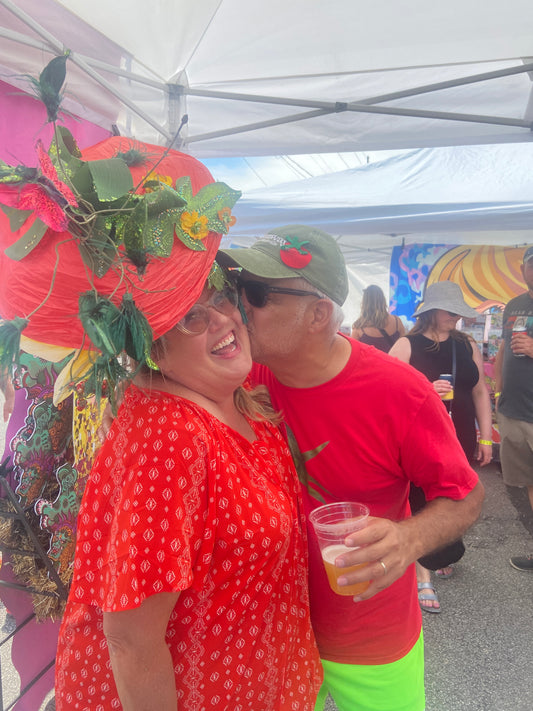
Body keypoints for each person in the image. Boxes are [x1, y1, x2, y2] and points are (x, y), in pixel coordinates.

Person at [218, 225, 484, 711]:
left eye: (256, 293)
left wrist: (409, 539)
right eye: (236, 289)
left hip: (369, 634)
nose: (239, 307)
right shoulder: (237, 375)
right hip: (273, 631)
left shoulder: (400, 392)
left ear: (319, 314)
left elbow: (465, 494)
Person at [55, 280, 321, 710]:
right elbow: (130, 640)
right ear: (152, 349)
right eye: (188, 316)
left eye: (218, 296)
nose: (220, 317)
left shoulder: (229, 393)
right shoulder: (170, 438)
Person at [389, 281, 493, 612]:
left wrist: (486, 436)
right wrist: (423, 389)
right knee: (421, 499)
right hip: (419, 439)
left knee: (453, 496)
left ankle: (443, 550)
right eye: (451, 312)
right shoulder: (407, 344)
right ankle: (423, 577)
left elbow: (479, 392)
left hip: (459, 436)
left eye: (458, 313)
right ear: (432, 311)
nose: (456, 319)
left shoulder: (465, 345)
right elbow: (384, 394)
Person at [494, 245, 533, 572]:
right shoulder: (515, 305)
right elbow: (504, 348)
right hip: (513, 409)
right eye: (531, 264)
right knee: (526, 482)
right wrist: (497, 388)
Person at [351, 284, 405, 352]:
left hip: (370, 363)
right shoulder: (397, 321)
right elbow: (404, 347)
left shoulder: (359, 327)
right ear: (383, 300)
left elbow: (354, 352)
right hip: (392, 362)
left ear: (364, 303)